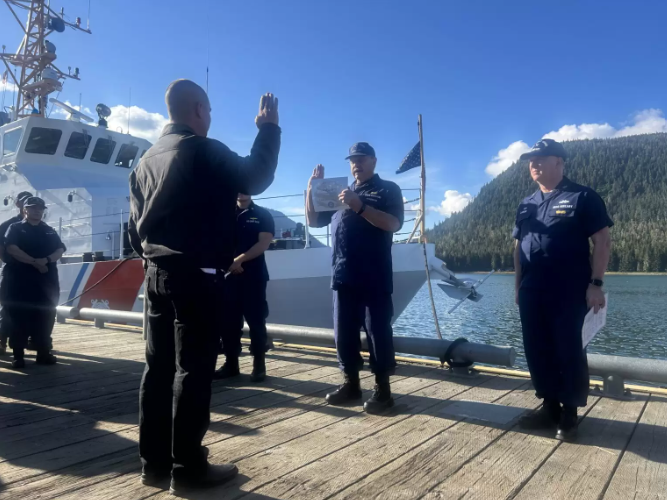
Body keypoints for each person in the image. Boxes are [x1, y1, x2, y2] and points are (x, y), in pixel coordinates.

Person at [128, 79, 280, 496]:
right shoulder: (201, 149)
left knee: (156, 368)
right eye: (210, 111)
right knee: (193, 368)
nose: (210, 118)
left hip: (155, 275)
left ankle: (153, 464)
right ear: (198, 109)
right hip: (197, 275)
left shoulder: (144, 162)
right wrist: (268, 129)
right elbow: (256, 176)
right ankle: (188, 467)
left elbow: (132, 231)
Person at [514, 138, 612, 442]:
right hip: (532, 288)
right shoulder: (526, 203)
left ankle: (570, 413)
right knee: (537, 347)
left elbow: (603, 240)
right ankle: (549, 405)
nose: (534, 164)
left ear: (559, 162)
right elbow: (518, 246)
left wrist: (596, 284)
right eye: (531, 160)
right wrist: (518, 285)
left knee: (568, 348)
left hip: (569, 289)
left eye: (541, 158)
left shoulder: (582, 196)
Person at [306, 142, 404, 414]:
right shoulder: (340, 194)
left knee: (377, 331)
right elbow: (314, 221)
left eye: (361, 158)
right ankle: (351, 384)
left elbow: (393, 224)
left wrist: (359, 206)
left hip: (374, 273)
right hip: (343, 273)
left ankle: (383, 390)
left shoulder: (388, 190)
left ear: (373, 160)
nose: (355, 163)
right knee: (344, 332)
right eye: (352, 159)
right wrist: (311, 189)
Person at [215, 193, 275, 382]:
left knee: (256, 322)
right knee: (229, 323)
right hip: (228, 276)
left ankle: (259, 366)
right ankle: (231, 364)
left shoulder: (263, 214)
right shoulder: (223, 214)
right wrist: (229, 263)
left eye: (246, 188)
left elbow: (264, 241)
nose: (242, 192)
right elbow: (216, 241)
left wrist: (239, 260)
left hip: (254, 277)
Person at [1, 196, 65, 369]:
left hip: (45, 281)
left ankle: (43, 353)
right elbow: (11, 248)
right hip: (19, 280)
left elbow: (60, 249)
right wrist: (34, 262)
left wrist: (45, 260)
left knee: (46, 316)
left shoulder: (49, 230)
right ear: (25, 210)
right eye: (33, 208)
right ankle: (18, 356)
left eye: (40, 208)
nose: (37, 211)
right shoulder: (15, 228)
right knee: (18, 316)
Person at [0, 190, 33, 355]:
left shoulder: (38, 226)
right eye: (24, 201)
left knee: (32, 308)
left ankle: (34, 340)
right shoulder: (7, 225)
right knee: (8, 309)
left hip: (33, 274)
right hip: (13, 272)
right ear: (18, 204)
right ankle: (2, 340)